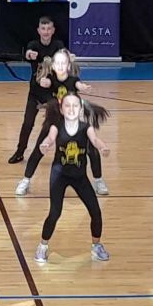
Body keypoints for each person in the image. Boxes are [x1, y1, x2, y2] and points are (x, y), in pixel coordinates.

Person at [16, 49, 109, 196]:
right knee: (40, 148)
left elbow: (78, 84)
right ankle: (25, 181)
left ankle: (98, 181)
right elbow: (45, 83)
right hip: (54, 118)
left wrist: (83, 87)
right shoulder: (50, 78)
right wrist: (44, 82)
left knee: (91, 149)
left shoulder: (72, 79)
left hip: (72, 119)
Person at [34, 93, 112, 263]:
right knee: (55, 212)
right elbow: (50, 137)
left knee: (96, 212)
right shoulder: (56, 126)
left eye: (75, 105)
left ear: (80, 109)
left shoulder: (86, 127)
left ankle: (96, 246)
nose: (71, 109)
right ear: (62, 110)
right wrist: (45, 144)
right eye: (67, 105)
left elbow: (95, 139)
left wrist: (103, 147)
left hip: (79, 177)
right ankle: (42, 246)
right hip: (59, 176)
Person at [9, 16, 66, 165]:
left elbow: (64, 64)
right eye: (43, 29)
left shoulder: (58, 45)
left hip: (52, 94)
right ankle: (20, 152)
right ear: (38, 30)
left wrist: (52, 80)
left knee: (54, 124)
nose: (46, 32)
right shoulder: (34, 45)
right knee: (27, 123)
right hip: (35, 93)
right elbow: (28, 53)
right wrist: (29, 54)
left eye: (48, 29)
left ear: (53, 30)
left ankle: (60, 154)